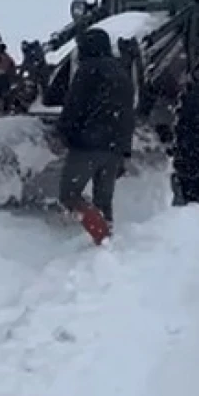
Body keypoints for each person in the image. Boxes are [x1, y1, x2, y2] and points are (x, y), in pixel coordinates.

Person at [55, 27, 135, 244]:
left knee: (69, 195)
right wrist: (124, 151)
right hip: (114, 148)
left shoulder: (88, 70)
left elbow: (74, 106)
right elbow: (129, 115)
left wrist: (62, 133)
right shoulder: (122, 73)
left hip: (88, 145)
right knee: (103, 201)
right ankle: (105, 244)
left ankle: (102, 236)